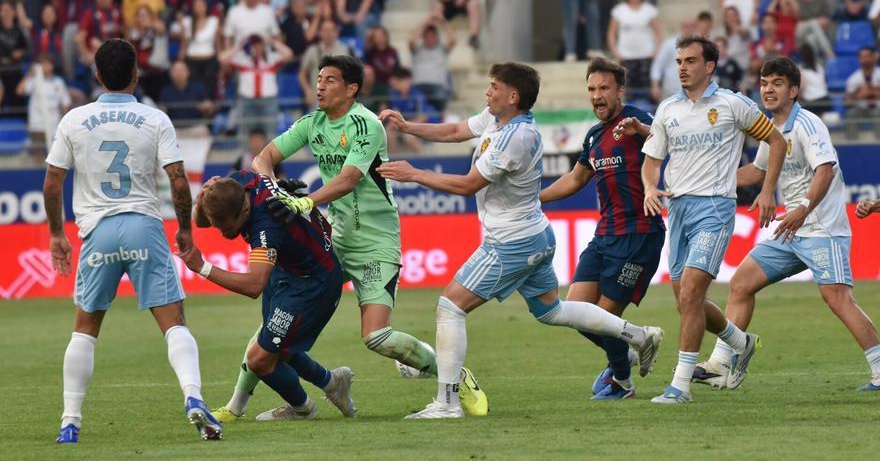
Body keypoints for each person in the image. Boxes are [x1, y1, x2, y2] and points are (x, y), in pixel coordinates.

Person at [376, 62, 664, 418]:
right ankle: (639, 336)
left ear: (513, 97)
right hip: (533, 235)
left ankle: (447, 403)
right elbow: (455, 130)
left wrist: (414, 174)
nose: (487, 92)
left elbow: (469, 185)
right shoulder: (496, 120)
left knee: (450, 307)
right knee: (553, 311)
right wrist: (408, 127)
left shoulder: (518, 136)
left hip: (511, 242)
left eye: (494, 86)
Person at [210, 55, 485, 423]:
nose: (320, 86)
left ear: (352, 88)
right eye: (319, 79)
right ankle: (236, 405)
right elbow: (264, 158)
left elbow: (349, 178)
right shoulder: (312, 123)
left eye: (330, 80)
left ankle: (454, 374)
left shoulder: (366, 124)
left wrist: (305, 201)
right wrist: (273, 187)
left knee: (376, 336)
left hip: (375, 239)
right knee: (275, 321)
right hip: (334, 237)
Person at [43, 39, 222, 443]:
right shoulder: (155, 119)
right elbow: (178, 179)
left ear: (97, 76)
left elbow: (53, 182)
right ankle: (194, 397)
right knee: (173, 323)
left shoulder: (73, 120)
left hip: (98, 232)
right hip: (144, 225)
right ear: (137, 75)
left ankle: (70, 422)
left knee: (84, 329)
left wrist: (56, 234)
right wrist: (185, 229)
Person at [696, 57, 880, 392]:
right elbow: (757, 171)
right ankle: (721, 363)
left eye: (777, 83)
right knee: (741, 284)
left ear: (794, 91)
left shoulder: (809, 124)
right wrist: (712, 180)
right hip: (790, 231)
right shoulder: (771, 129)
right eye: (765, 83)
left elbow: (825, 170)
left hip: (821, 228)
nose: (768, 89)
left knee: (838, 299)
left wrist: (803, 209)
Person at [637, 36, 786, 403]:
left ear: (709, 66)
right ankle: (741, 341)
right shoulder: (667, 109)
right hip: (679, 210)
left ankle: (680, 386)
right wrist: (650, 187)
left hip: (715, 209)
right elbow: (652, 161)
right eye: (678, 62)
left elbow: (777, 141)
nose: (682, 68)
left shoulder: (732, 104)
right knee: (686, 300)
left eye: (690, 61)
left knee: (691, 292)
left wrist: (768, 190)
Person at [178, 171, 356, 420]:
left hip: (312, 284)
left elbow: (254, 285)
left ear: (245, 211)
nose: (223, 234)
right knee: (278, 349)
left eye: (227, 227)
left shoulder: (267, 224)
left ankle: (303, 409)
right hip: (287, 270)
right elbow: (204, 222)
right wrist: (201, 201)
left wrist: (202, 267)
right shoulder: (236, 185)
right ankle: (332, 382)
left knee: (259, 359)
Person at [539, 58, 666, 400]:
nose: (597, 95)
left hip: (639, 234)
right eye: (592, 89)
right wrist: (534, 199)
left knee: (605, 317)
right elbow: (575, 179)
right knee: (575, 312)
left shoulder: (638, 120)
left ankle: (622, 381)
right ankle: (632, 346)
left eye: (604, 88)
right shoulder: (594, 135)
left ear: (620, 90)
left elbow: (669, 140)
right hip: (604, 236)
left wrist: (643, 130)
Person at [607, 0, 662, 96]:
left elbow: (658, 32)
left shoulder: (650, 10)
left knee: (647, 90)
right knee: (626, 90)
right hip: (625, 57)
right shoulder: (619, 10)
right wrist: (615, 52)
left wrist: (656, 51)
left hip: (646, 56)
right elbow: (611, 33)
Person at [16, 54, 71, 161]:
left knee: (55, 158)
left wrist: (63, 124)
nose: (47, 67)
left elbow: (65, 103)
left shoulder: (58, 82)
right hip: (37, 125)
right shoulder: (34, 80)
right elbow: (19, 91)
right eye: (44, 64)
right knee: (38, 157)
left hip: (54, 124)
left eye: (49, 64)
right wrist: (29, 74)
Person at [844, 46, 880, 139]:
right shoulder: (853, 78)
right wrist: (859, 95)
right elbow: (847, 102)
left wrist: (873, 92)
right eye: (862, 57)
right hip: (860, 109)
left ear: (873, 57)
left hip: (878, 108)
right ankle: (852, 143)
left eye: (867, 56)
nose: (864, 60)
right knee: (850, 114)